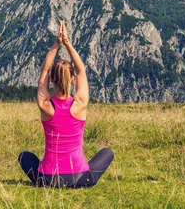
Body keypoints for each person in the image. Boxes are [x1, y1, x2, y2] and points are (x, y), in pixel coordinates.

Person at [18, 21, 114, 188]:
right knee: (108, 152)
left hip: (48, 179)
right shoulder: (80, 104)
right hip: (80, 178)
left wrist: (56, 43)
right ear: (72, 80)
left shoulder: (45, 105)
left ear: (52, 80)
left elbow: (44, 70)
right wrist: (67, 43)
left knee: (24, 156)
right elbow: (82, 70)